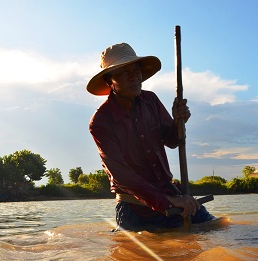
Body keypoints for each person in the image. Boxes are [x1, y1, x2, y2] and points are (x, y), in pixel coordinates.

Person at [87, 43, 215, 232]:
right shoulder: (101, 122)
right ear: (109, 81)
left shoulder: (151, 100)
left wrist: (178, 121)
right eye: (124, 72)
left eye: (136, 69)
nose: (135, 76)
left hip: (171, 194)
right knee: (140, 255)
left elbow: (172, 141)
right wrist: (167, 201)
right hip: (135, 208)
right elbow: (122, 176)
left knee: (217, 230)